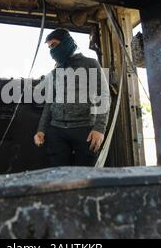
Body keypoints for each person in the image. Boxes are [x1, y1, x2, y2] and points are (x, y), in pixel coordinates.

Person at [33, 28, 110, 167]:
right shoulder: (55, 72)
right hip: (56, 131)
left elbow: (103, 96)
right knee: (59, 174)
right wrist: (41, 129)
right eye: (50, 47)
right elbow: (49, 103)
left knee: (86, 175)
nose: (52, 51)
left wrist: (99, 129)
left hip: (85, 129)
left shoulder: (90, 64)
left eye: (54, 45)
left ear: (67, 43)